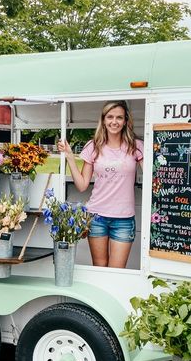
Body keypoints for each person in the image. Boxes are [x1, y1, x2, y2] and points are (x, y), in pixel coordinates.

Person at [57, 100, 143, 268]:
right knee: (100, 268)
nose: (114, 122)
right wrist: (69, 157)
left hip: (124, 219)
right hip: (96, 217)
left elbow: (152, 176)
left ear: (126, 121)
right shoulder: (93, 146)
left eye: (119, 117)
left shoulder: (136, 146)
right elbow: (82, 185)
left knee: (117, 271)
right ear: (103, 120)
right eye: (110, 117)